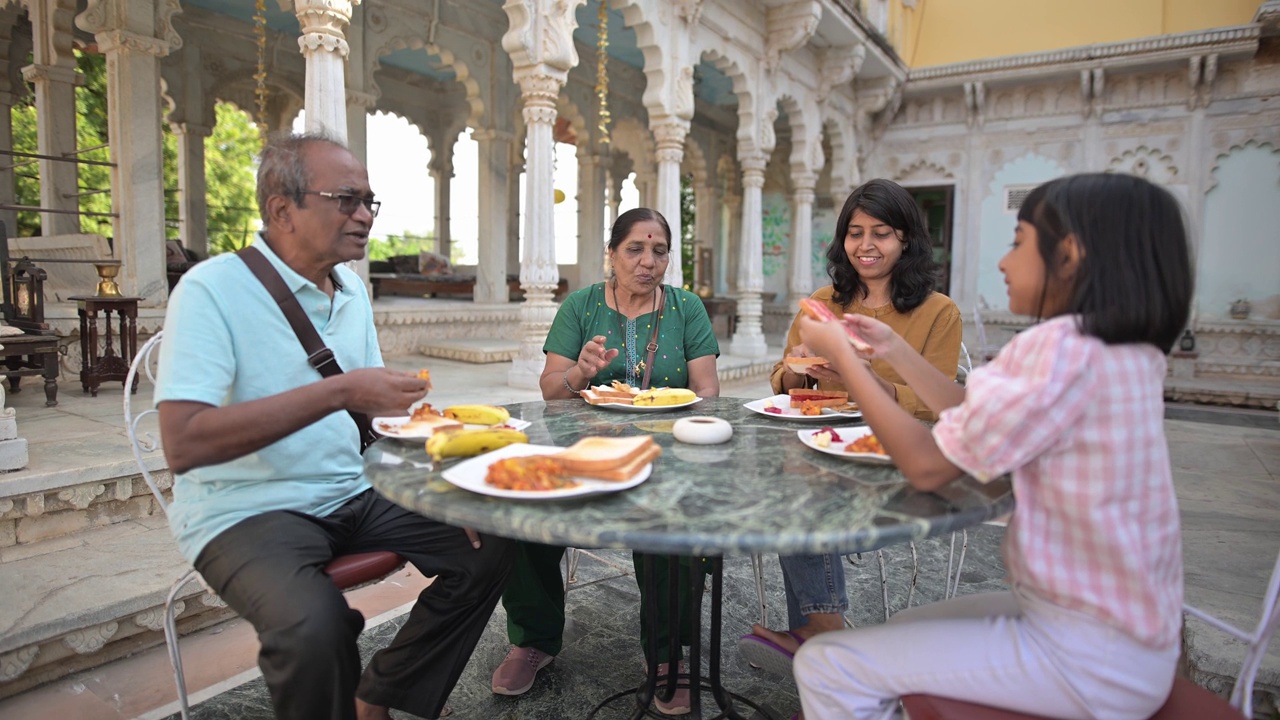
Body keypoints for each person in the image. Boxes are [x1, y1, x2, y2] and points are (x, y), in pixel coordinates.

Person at [791, 173, 1192, 719]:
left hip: (1088, 654)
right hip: (1127, 630)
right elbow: (967, 407)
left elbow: (929, 467)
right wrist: (893, 350)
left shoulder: (1056, 351)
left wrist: (840, 353)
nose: (1004, 262)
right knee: (905, 628)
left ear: (1068, 255)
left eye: (1019, 241)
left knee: (826, 665)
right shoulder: (1122, 351)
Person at [154, 133, 513, 720]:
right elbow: (184, 443)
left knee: (491, 540)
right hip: (246, 508)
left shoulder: (350, 293)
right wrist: (341, 389)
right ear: (281, 210)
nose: (365, 215)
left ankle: (379, 695)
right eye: (346, 199)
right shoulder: (211, 290)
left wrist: (448, 466)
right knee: (313, 627)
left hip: (355, 490)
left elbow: (374, 419)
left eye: (371, 201)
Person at [490, 208, 720, 715]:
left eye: (659, 251)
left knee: (676, 523)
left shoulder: (686, 308)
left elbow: (707, 393)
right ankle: (534, 639)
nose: (648, 261)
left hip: (665, 452)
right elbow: (551, 391)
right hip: (580, 452)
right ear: (611, 254)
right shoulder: (582, 305)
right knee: (520, 514)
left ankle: (665, 655)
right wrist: (580, 371)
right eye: (635, 249)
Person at [742, 179, 961, 671]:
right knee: (791, 484)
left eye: (881, 233)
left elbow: (934, 405)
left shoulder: (938, 312)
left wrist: (859, 379)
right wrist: (799, 365)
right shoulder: (825, 300)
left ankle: (821, 638)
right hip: (822, 446)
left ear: (906, 239)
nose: (866, 245)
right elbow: (782, 380)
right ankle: (822, 653)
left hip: (895, 458)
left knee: (804, 496)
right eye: (855, 232)